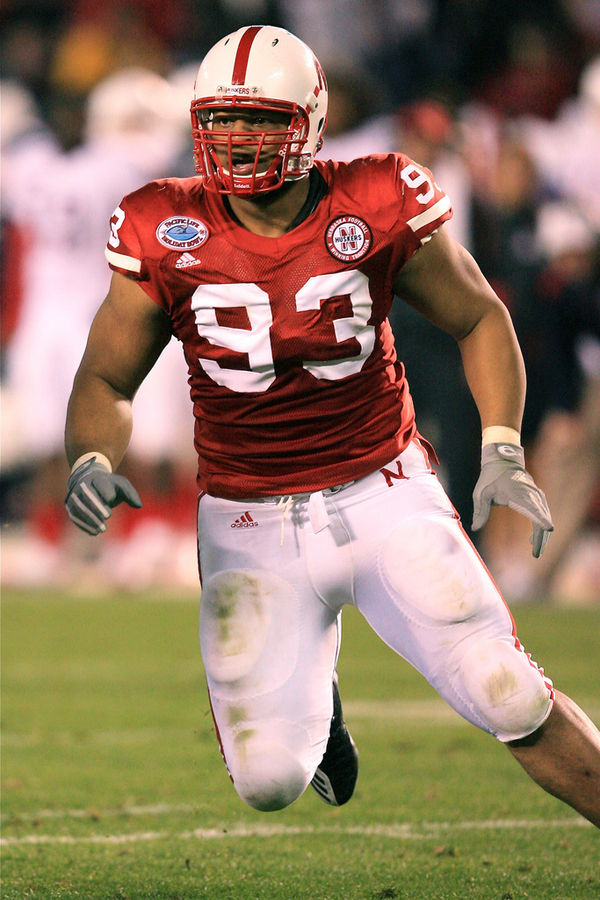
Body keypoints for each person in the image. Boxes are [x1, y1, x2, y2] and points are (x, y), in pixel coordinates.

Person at [64, 25, 600, 824]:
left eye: (260, 119)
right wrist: (90, 456)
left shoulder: (375, 197)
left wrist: (500, 445)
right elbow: (106, 375)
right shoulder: (163, 226)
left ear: (311, 122)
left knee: (507, 690)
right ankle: (318, 700)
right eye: (221, 119)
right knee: (270, 780)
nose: (237, 139)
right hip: (248, 514)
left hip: (382, 488)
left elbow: (481, 317)